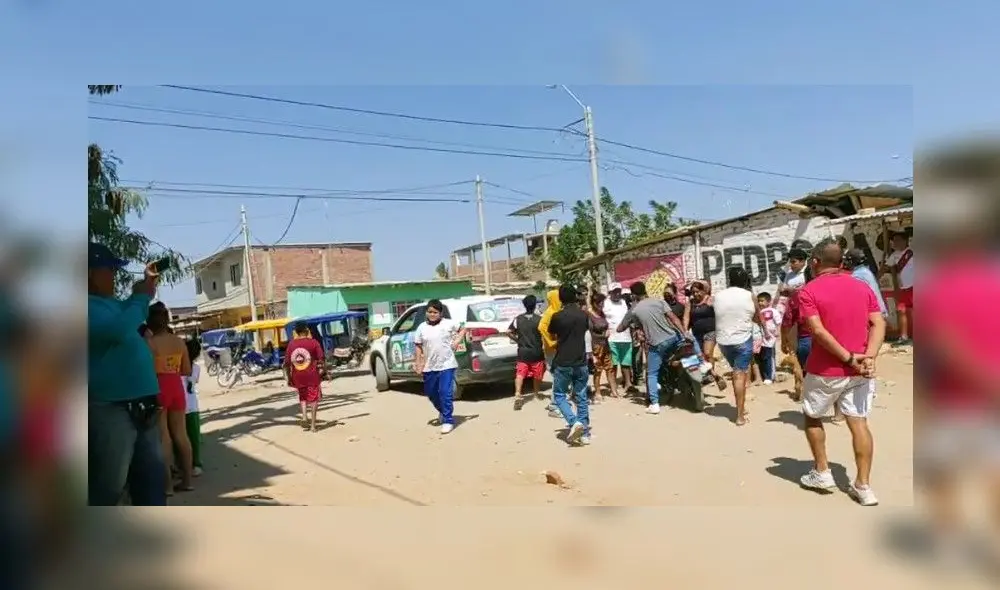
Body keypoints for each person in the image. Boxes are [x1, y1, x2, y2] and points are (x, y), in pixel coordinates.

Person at [796, 239, 886, 506]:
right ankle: (863, 486)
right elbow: (878, 322)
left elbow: (819, 331)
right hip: (860, 370)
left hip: (826, 369)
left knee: (812, 416)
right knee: (859, 422)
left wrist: (848, 357)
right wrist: (868, 357)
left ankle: (822, 472)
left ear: (814, 263)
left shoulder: (808, 291)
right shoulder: (861, 286)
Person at [88, 243, 166, 506]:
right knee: (109, 486)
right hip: (112, 408)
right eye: (109, 269)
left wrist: (144, 289)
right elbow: (118, 330)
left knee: (152, 481)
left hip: (144, 404)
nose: (114, 275)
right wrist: (141, 297)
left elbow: (132, 314)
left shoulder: (112, 305)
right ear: (89, 274)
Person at [146, 302, 194, 496]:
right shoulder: (179, 342)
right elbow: (187, 370)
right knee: (181, 435)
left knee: (164, 437)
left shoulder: (149, 343)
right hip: (176, 386)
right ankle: (188, 481)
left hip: (158, 387)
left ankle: (167, 487)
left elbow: (146, 369)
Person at [616, 281, 685, 414]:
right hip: (673, 338)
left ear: (634, 295)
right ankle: (703, 365)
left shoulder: (634, 310)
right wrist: (684, 333)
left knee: (651, 373)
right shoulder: (659, 301)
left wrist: (621, 327)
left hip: (657, 344)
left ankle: (654, 403)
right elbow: (674, 319)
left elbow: (620, 328)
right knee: (689, 345)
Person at [714, 266, 762, 426]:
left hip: (723, 342)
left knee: (737, 372)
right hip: (742, 340)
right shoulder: (749, 295)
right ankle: (740, 415)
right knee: (739, 375)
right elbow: (757, 318)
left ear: (729, 280)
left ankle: (741, 406)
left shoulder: (718, 296)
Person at [413, 300, 466, 434]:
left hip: (447, 364)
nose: (432, 314)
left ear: (440, 313)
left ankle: (448, 420)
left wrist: (457, 341)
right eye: (430, 312)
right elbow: (418, 346)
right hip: (430, 365)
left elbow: (464, 328)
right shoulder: (421, 327)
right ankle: (443, 411)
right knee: (431, 393)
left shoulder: (448, 323)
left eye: (435, 312)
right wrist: (418, 363)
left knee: (445, 392)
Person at [547, 285, 592, 445]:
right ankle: (585, 433)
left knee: (559, 395)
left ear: (560, 298)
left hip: (563, 361)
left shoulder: (557, 316)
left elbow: (552, 333)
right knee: (581, 396)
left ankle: (574, 422)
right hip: (580, 361)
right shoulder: (583, 315)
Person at [284, 321, 326, 432]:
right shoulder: (314, 343)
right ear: (307, 330)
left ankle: (304, 416)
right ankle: (312, 426)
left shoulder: (291, 344)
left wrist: (288, 377)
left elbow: (287, 363)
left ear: (297, 332)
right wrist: (323, 371)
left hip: (298, 376)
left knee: (303, 397)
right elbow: (321, 358)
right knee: (314, 399)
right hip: (312, 375)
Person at [507, 294, 544, 411]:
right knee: (537, 374)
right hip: (537, 351)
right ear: (534, 306)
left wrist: (518, 340)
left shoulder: (518, 319)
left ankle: (518, 394)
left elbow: (508, 331)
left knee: (520, 373)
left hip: (523, 351)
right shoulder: (539, 319)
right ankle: (536, 394)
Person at [687, 280, 727, 390]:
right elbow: (686, 318)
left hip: (711, 331)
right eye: (693, 292)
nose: (695, 294)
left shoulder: (711, 300)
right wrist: (685, 331)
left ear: (703, 291)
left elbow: (721, 312)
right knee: (700, 356)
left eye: (697, 291)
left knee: (707, 353)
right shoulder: (691, 303)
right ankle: (713, 375)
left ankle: (709, 375)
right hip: (696, 333)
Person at [880, 232, 914, 345]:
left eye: (898, 240)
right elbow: (885, 268)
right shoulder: (894, 255)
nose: (895, 243)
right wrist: (875, 278)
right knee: (901, 311)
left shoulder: (913, 253)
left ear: (905, 241)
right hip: (902, 289)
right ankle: (903, 336)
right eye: (894, 241)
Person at [602, 283, 634, 392]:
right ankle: (613, 384)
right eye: (615, 291)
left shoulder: (623, 302)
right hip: (612, 338)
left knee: (626, 362)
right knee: (613, 363)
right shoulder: (605, 304)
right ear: (610, 292)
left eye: (618, 291)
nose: (617, 293)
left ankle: (628, 383)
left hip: (626, 337)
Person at [843, 249, 888, 319]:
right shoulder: (865, 271)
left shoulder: (858, 274)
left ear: (851, 261)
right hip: (878, 312)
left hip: (873, 314)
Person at [537, 289, 562, 413]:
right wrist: (551, 342)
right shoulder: (550, 312)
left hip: (557, 349)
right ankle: (554, 403)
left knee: (560, 376)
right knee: (558, 377)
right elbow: (541, 327)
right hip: (551, 350)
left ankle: (557, 401)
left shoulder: (557, 311)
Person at [587, 292, 616, 401]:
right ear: (594, 303)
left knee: (610, 368)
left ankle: (614, 391)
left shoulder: (602, 313)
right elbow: (589, 332)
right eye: (599, 303)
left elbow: (605, 325)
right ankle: (597, 392)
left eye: (602, 303)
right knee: (598, 369)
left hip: (605, 344)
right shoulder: (589, 315)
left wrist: (607, 331)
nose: (601, 305)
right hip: (596, 345)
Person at [183, 338, 204, 477]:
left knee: (180, 437)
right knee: (194, 438)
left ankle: (183, 465)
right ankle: (196, 464)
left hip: (180, 407)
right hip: (192, 406)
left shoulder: (178, 366)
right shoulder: (195, 368)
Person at [755, 292, 781, 385]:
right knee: (762, 357)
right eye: (759, 301)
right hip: (761, 338)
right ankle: (764, 375)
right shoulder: (758, 312)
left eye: (762, 301)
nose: (760, 303)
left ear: (768, 301)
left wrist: (778, 332)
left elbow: (778, 322)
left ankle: (770, 377)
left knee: (769, 356)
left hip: (770, 338)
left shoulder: (773, 311)